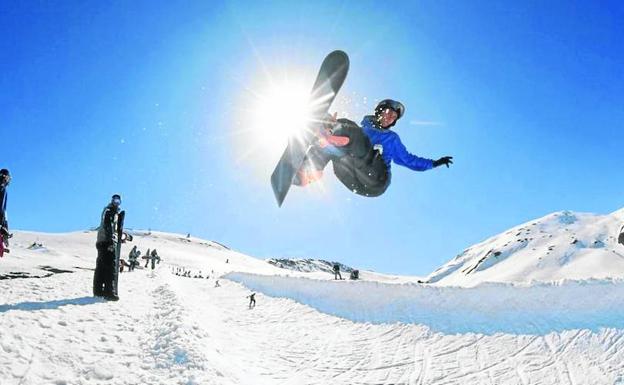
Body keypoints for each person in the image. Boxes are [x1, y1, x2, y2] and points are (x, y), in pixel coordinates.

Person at [294, 100, 453, 197]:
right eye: (389, 113)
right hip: (351, 178)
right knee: (337, 142)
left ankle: (326, 134)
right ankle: (307, 173)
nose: (390, 118)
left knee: (344, 126)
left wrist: (434, 163)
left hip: (376, 179)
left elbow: (409, 160)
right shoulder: (362, 130)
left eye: (393, 118)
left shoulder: (391, 138)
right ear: (379, 111)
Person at [93, 194, 125, 301]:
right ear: (112, 201)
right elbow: (109, 226)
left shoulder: (107, 211)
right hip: (107, 241)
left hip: (101, 241)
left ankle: (98, 291)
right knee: (111, 266)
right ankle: (109, 291)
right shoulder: (110, 212)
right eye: (115, 201)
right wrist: (111, 242)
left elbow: (111, 227)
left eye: (118, 201)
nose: (116, 203)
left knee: (101, 266)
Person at [0, 169, 11, 257]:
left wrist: (5, 227)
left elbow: (3, 211)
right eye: (7, 178)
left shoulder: (4, 190)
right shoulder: (1, 188)